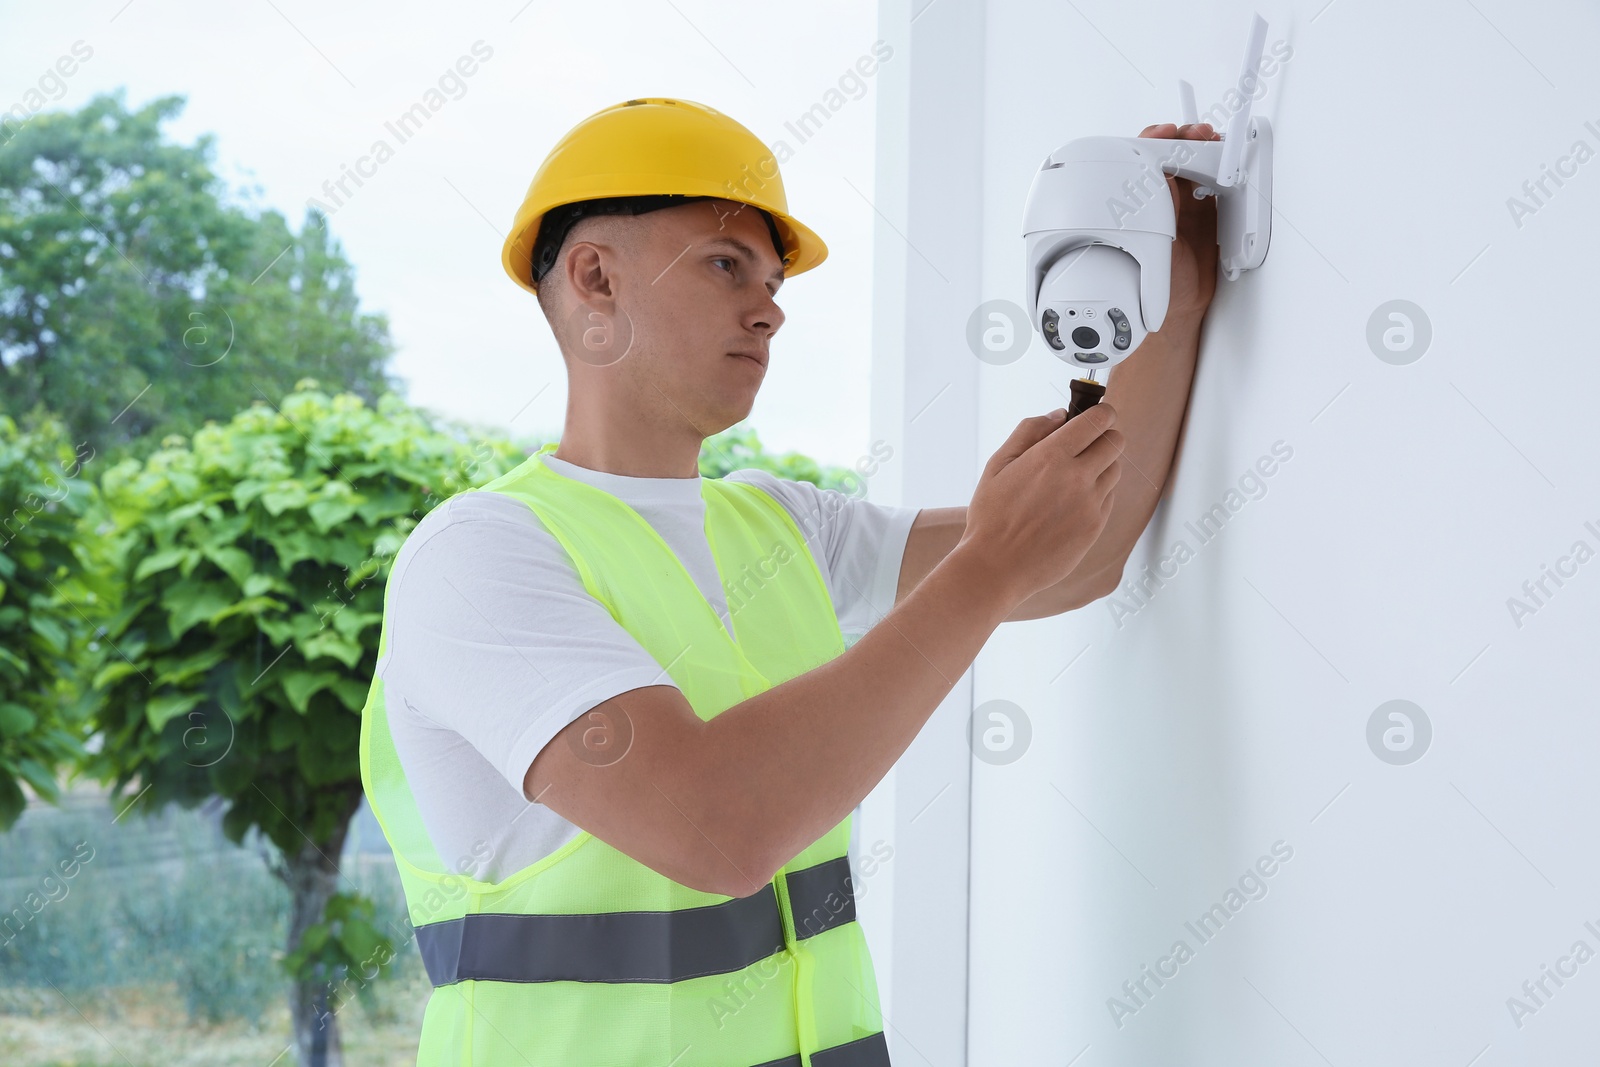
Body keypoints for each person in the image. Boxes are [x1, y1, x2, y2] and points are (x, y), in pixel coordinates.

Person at [358, 97, 1219, 1067]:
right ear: (595, 277)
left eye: (773, 282)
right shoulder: (477, 557)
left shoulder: (780, 526)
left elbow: (1081, 553)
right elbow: (714, 828)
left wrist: (1172, 302)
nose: (768, 306)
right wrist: (987, 563)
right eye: (727, 265)